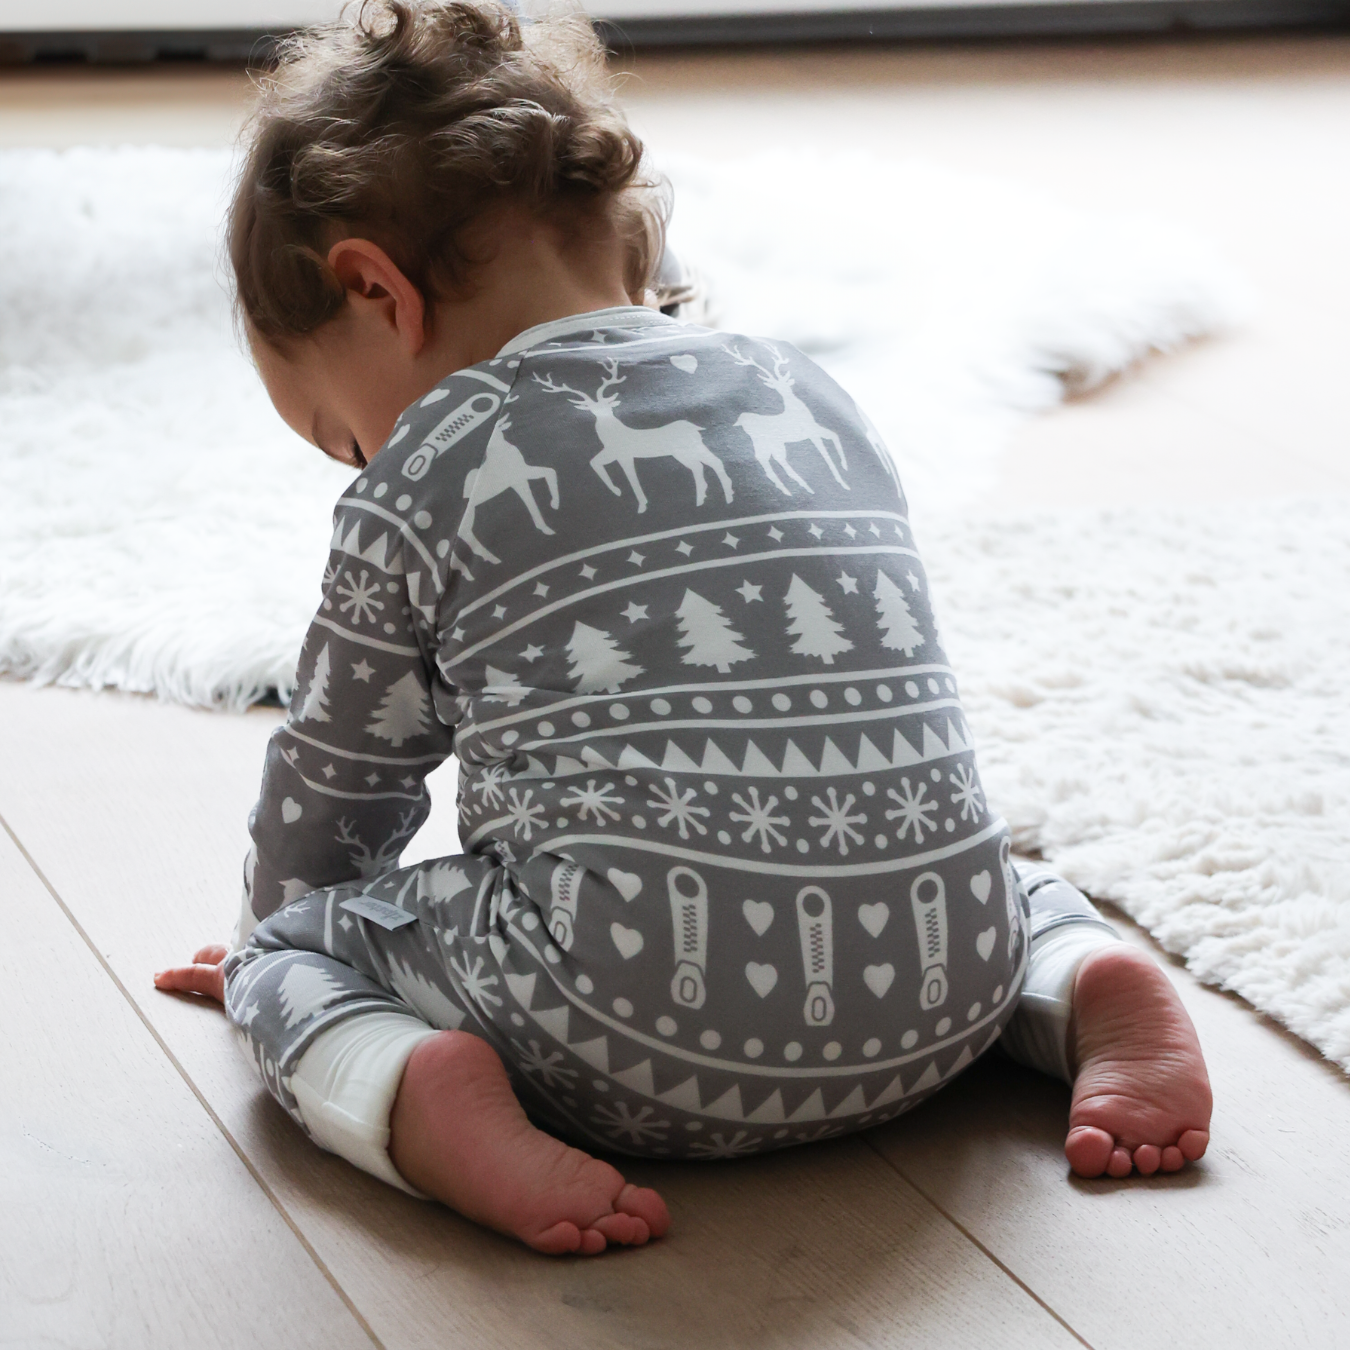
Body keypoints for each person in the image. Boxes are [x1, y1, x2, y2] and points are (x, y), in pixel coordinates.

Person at [156, 0, 1212, 1256]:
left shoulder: (426, 473)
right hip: (944, 980)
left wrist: (285, 941)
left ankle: (414, 1096)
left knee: (291, 961)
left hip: (626, 1041)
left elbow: (339, 786)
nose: (362, 462)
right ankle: (1076, 983)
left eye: (343, 437)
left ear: (376, 290)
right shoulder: (810, 393)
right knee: (981, 863)